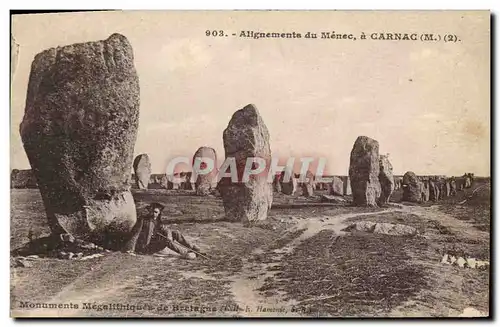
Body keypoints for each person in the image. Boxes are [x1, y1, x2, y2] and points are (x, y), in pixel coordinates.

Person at [126, 202, 201, 258]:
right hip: (145, 247)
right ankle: (185, 253)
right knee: (166, 240)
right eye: (152, 211)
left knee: (176, 233)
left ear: (159, 213)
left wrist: (169, 236)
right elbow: (135, 234)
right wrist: (131, 249)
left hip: (153, 242)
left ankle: (192, 248)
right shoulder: (143, 220)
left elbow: (166, 229)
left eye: (156, 212)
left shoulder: (158, 221)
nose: (153, 213)